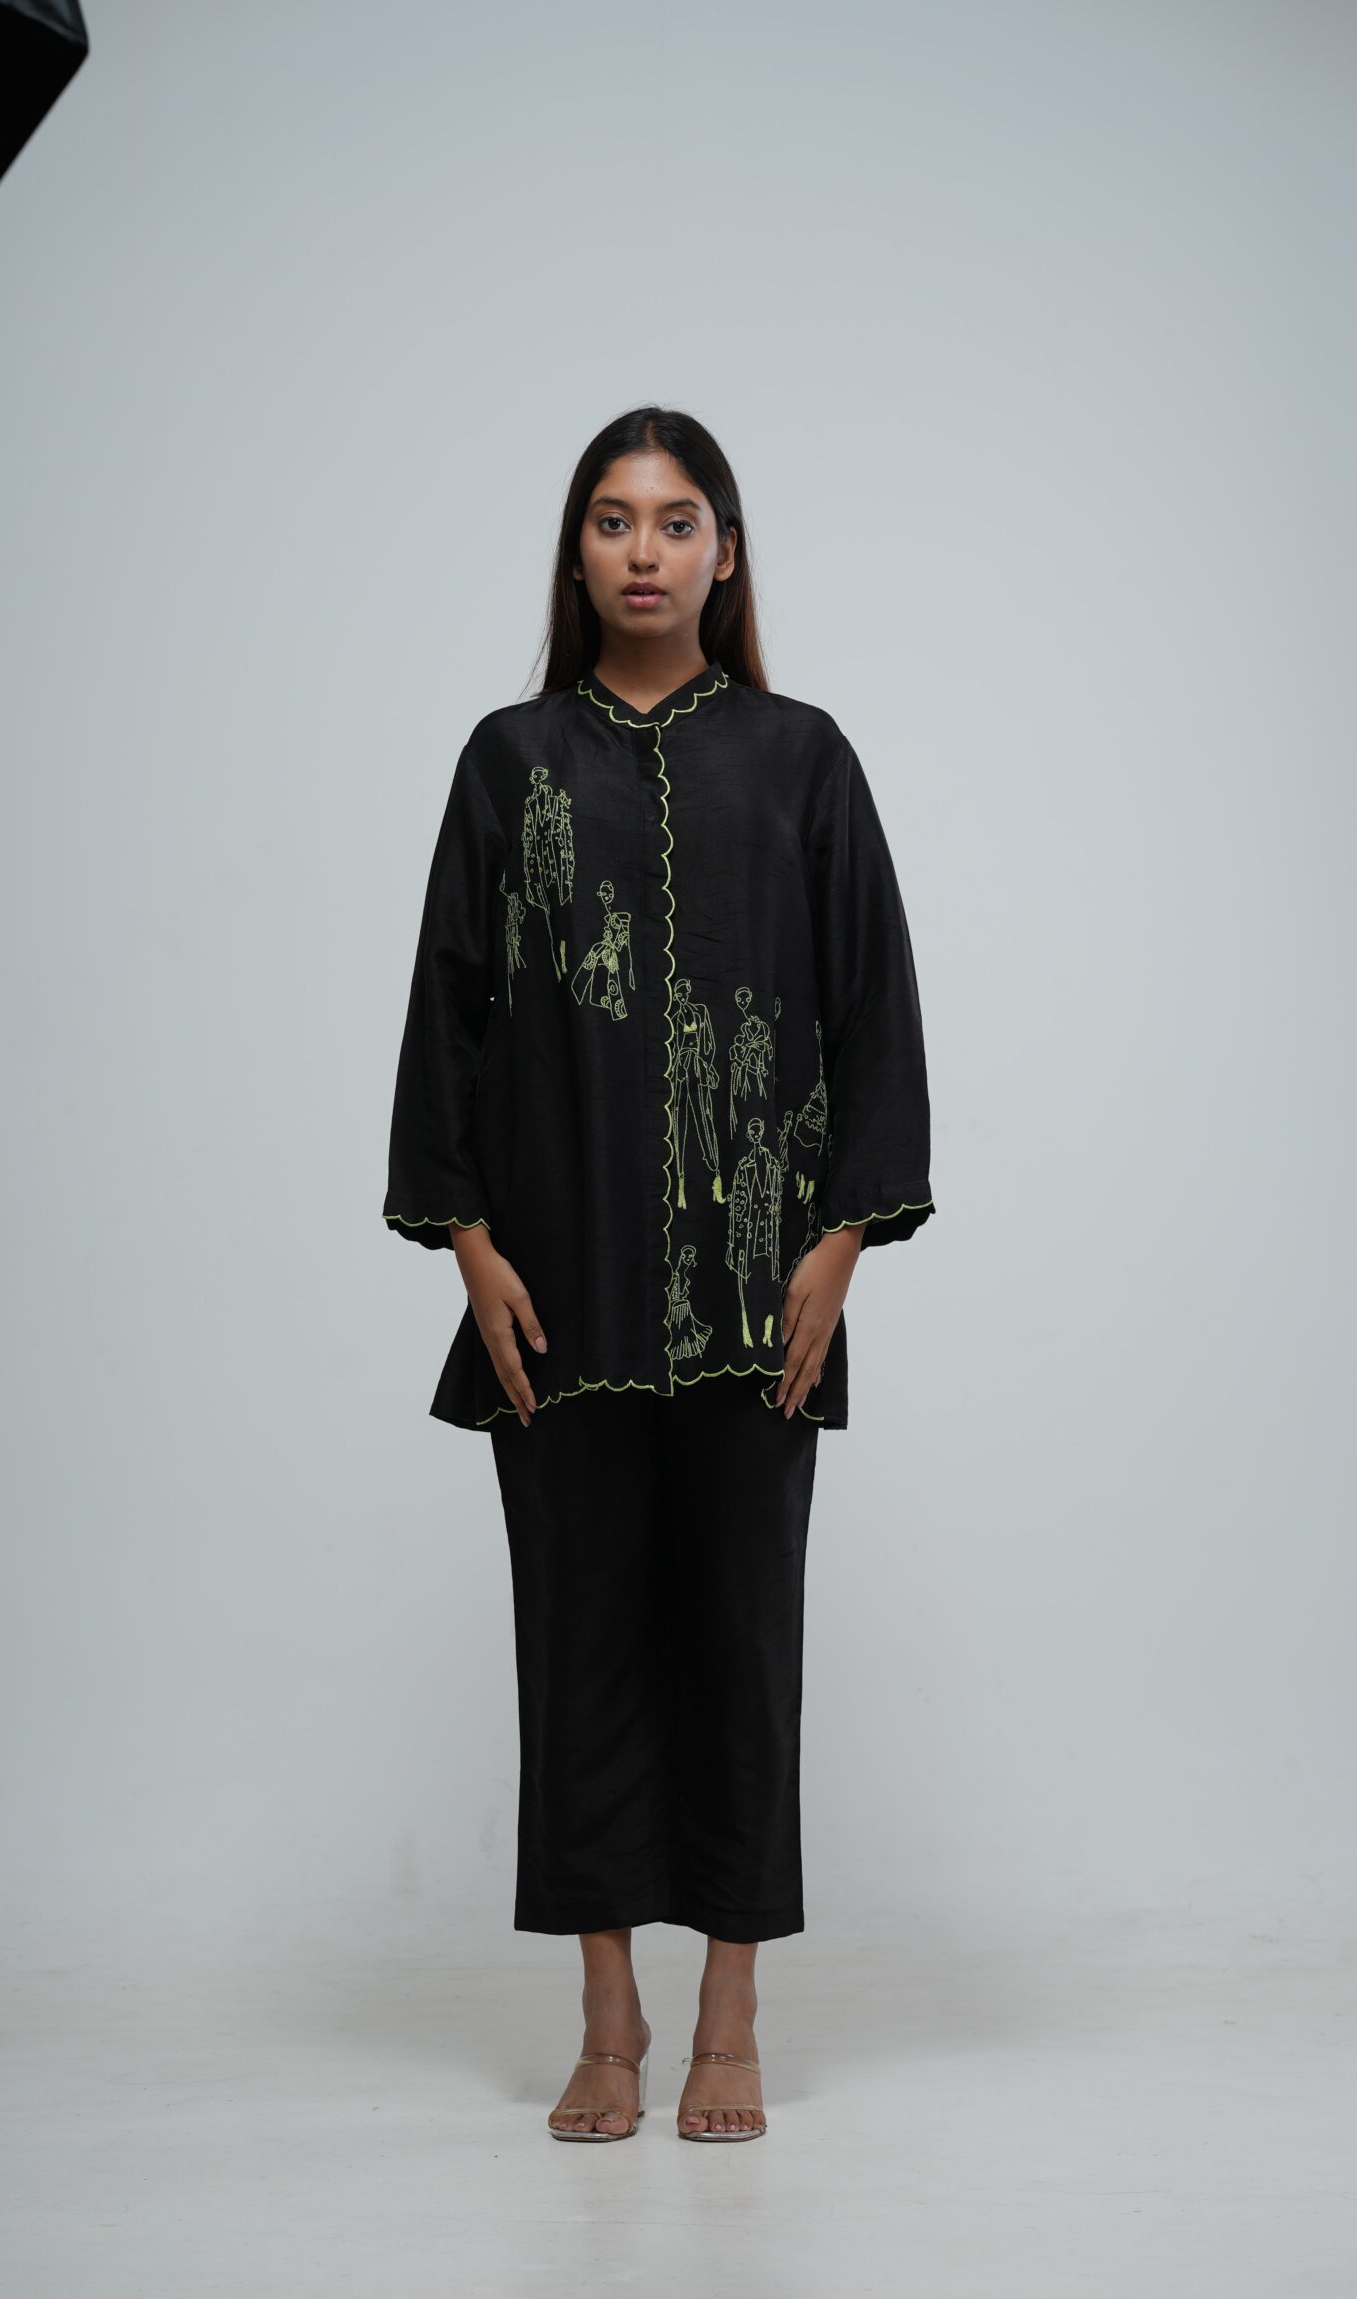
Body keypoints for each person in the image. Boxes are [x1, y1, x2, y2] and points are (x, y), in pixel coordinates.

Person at [382, 406, 936, 2142]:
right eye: (615, 520)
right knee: (582, 1648)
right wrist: (470, 1246)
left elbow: (874, 1006)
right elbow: (449, 1007)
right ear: (577, 552)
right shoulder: (509, 761)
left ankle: (732, 2018)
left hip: (762, 1299)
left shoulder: (802, 758)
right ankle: (608, 2016)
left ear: (726, 552)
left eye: (677, 519)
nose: (645, 549)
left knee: (743, 1652)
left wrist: (839, 1244)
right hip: (556, 1297)